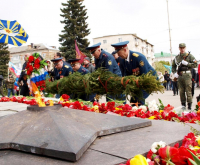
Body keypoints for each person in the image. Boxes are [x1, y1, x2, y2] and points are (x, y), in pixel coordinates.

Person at [111, 41, 156, 105]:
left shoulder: (138, 57)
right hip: (137, 81)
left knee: (139, 99)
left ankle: (141, 113)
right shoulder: (122, 60)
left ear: (125, 50)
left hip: (149, 80)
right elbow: (124, 76)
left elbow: (145, 75)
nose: (118, 55)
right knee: (133, 100)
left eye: (119, 52)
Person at [172, 43, 197, 110]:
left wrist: (188, 64)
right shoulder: (177, 57)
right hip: (180, 76)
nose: (182, 49)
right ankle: (183, 106)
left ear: (185, 48)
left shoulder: (190, 56)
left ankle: (189, 107)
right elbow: (173, 66)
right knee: (181, 91)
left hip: (188, 75)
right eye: (181, 48)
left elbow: (195, 65)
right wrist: (174, 73)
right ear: (179, 48)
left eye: (183, 48)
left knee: (188, 91)